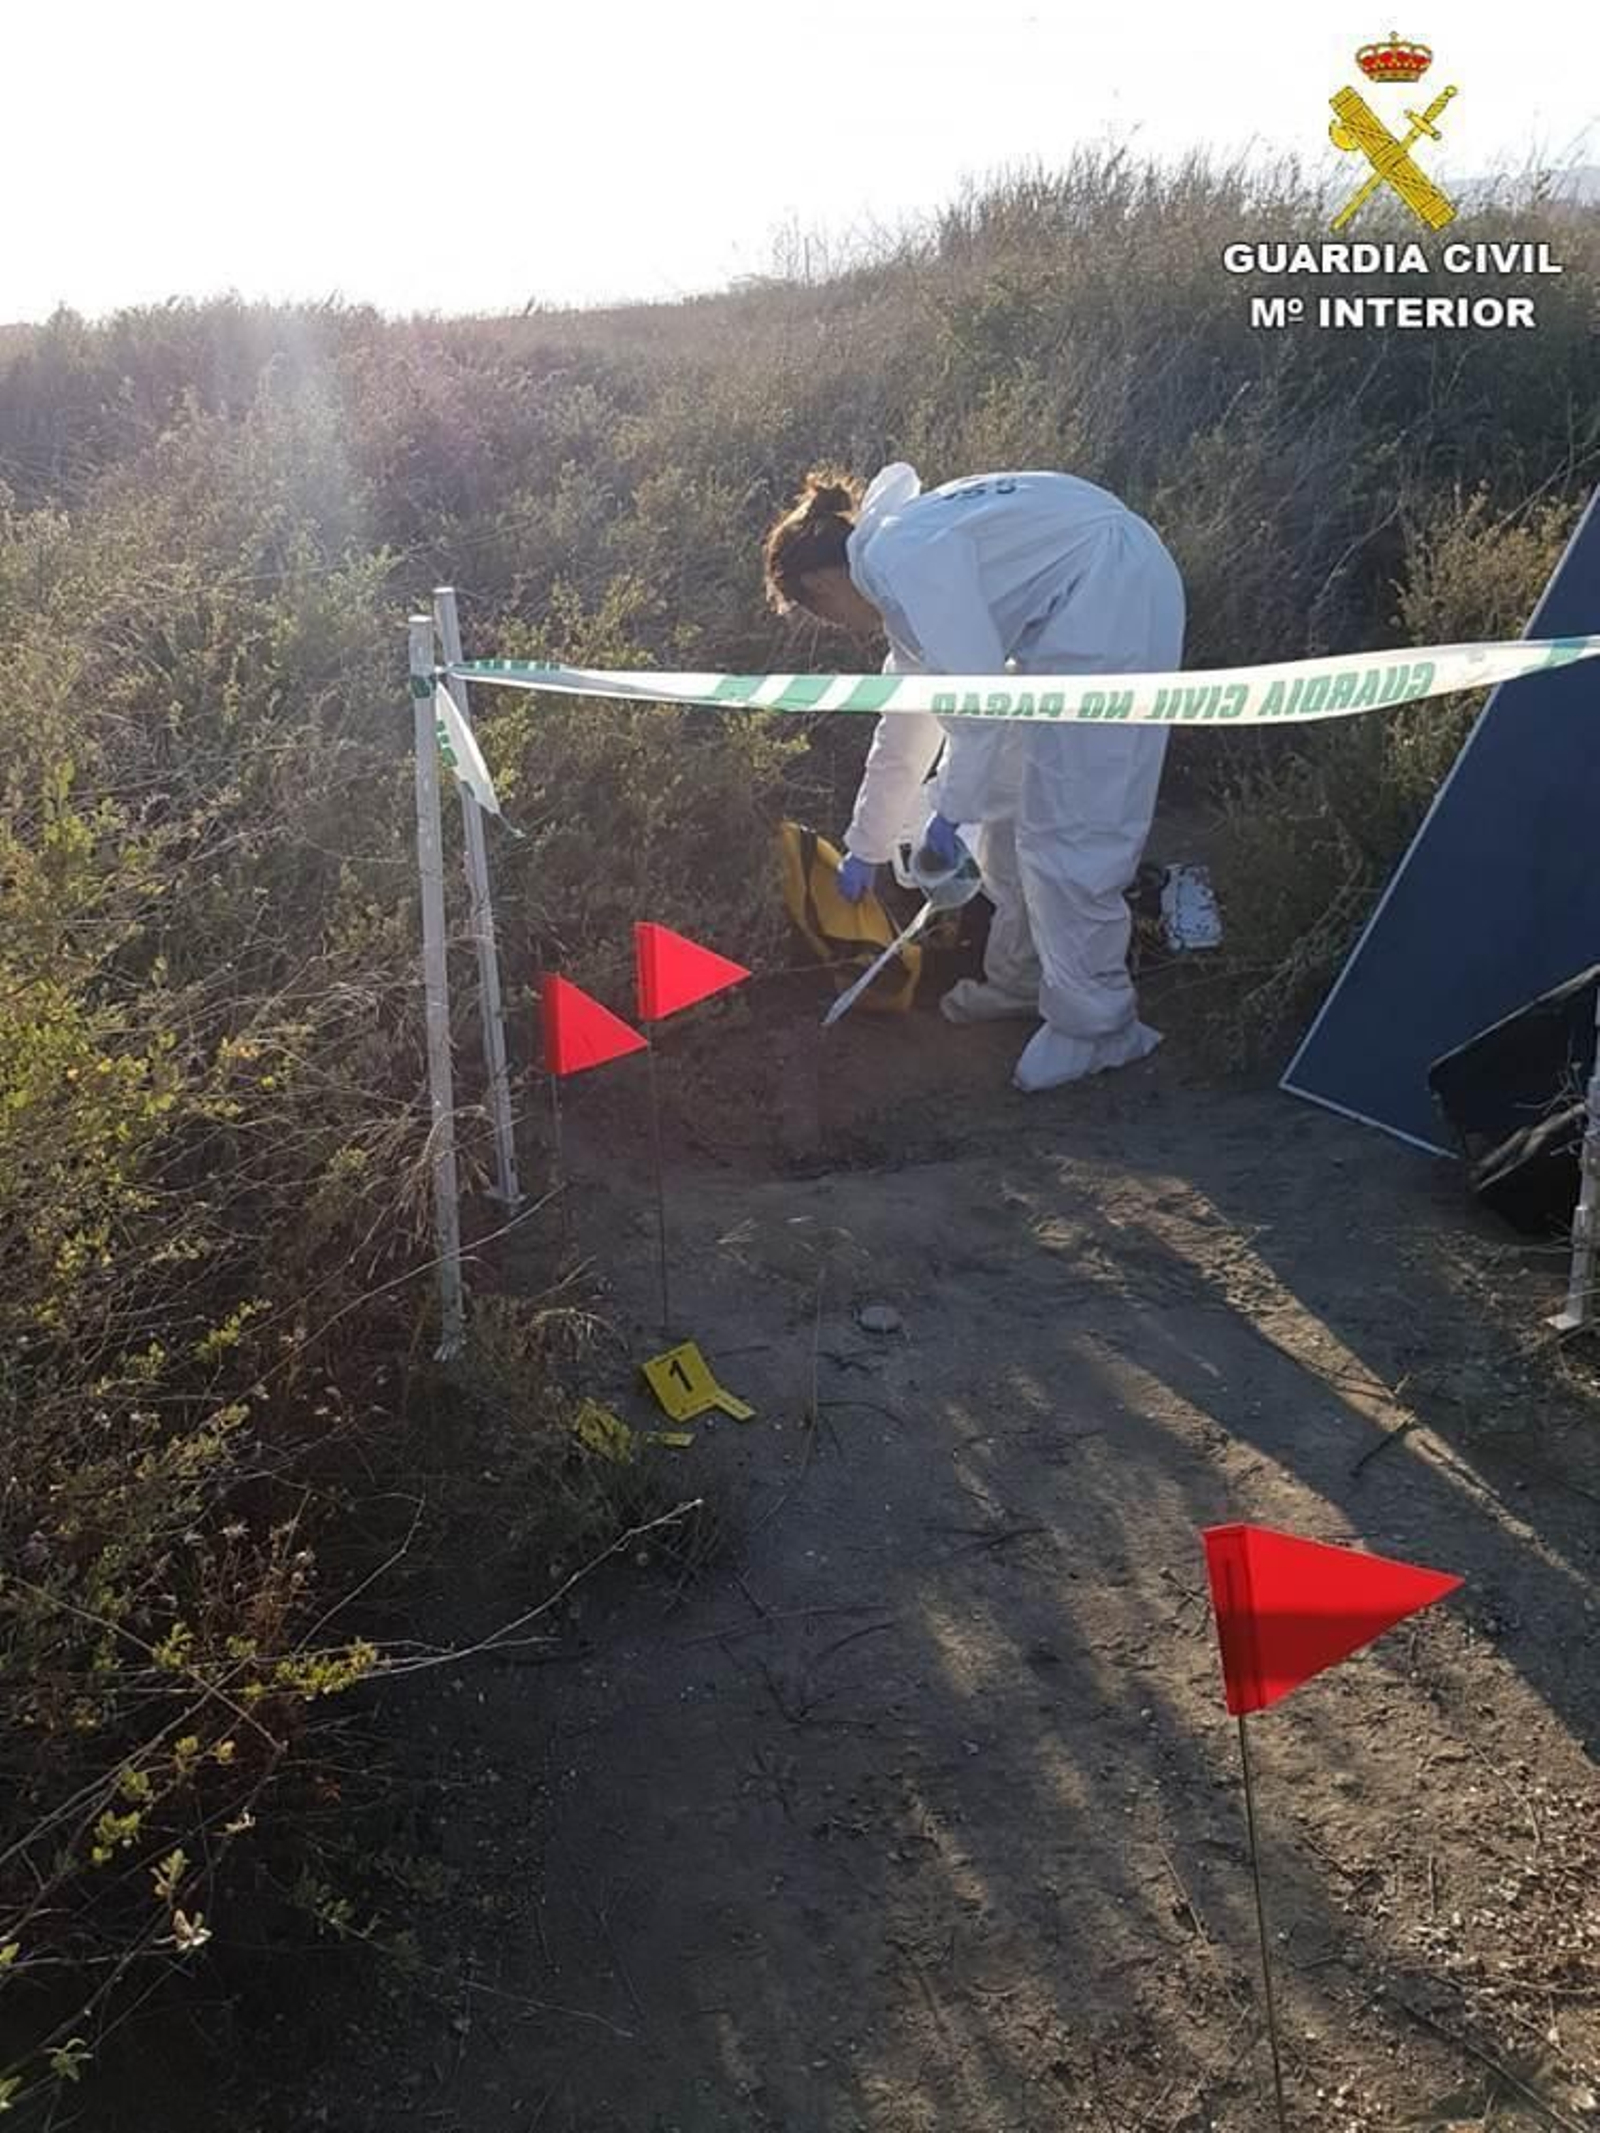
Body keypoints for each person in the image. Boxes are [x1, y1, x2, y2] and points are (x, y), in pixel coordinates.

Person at [761, 462, 1185, 1092]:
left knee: (1071, 826)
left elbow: (978, 702)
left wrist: (948, 814)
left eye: (822, 615)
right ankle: (1020, 980)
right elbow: (905, 729)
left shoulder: (905, 560)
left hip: (1109, 598)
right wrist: (866, 847)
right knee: (1010, 811)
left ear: (823, 581)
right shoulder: (896, 562)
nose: (837, 629)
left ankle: (1098, 1027)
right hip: (1073, 605)